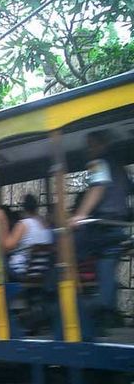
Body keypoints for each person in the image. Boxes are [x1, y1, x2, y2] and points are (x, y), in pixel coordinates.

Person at [69, 130, 131, 321]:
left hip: (101, 226)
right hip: (117, 225)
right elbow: (129, 189)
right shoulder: (119, 167)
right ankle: (107, 310)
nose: (88, 149)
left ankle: (79, 305)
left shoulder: (98, 162)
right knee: (106, 267)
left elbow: (97, 188)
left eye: (90, 145)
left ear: (99, 144)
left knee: (68, 253)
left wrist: (79, 215)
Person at [0, 194, 53, 280]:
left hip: (21, 271)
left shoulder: (24, 224)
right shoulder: (45, 224)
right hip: (42, 270)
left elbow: (6, 247)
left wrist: (2, 220)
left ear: (23, 208)